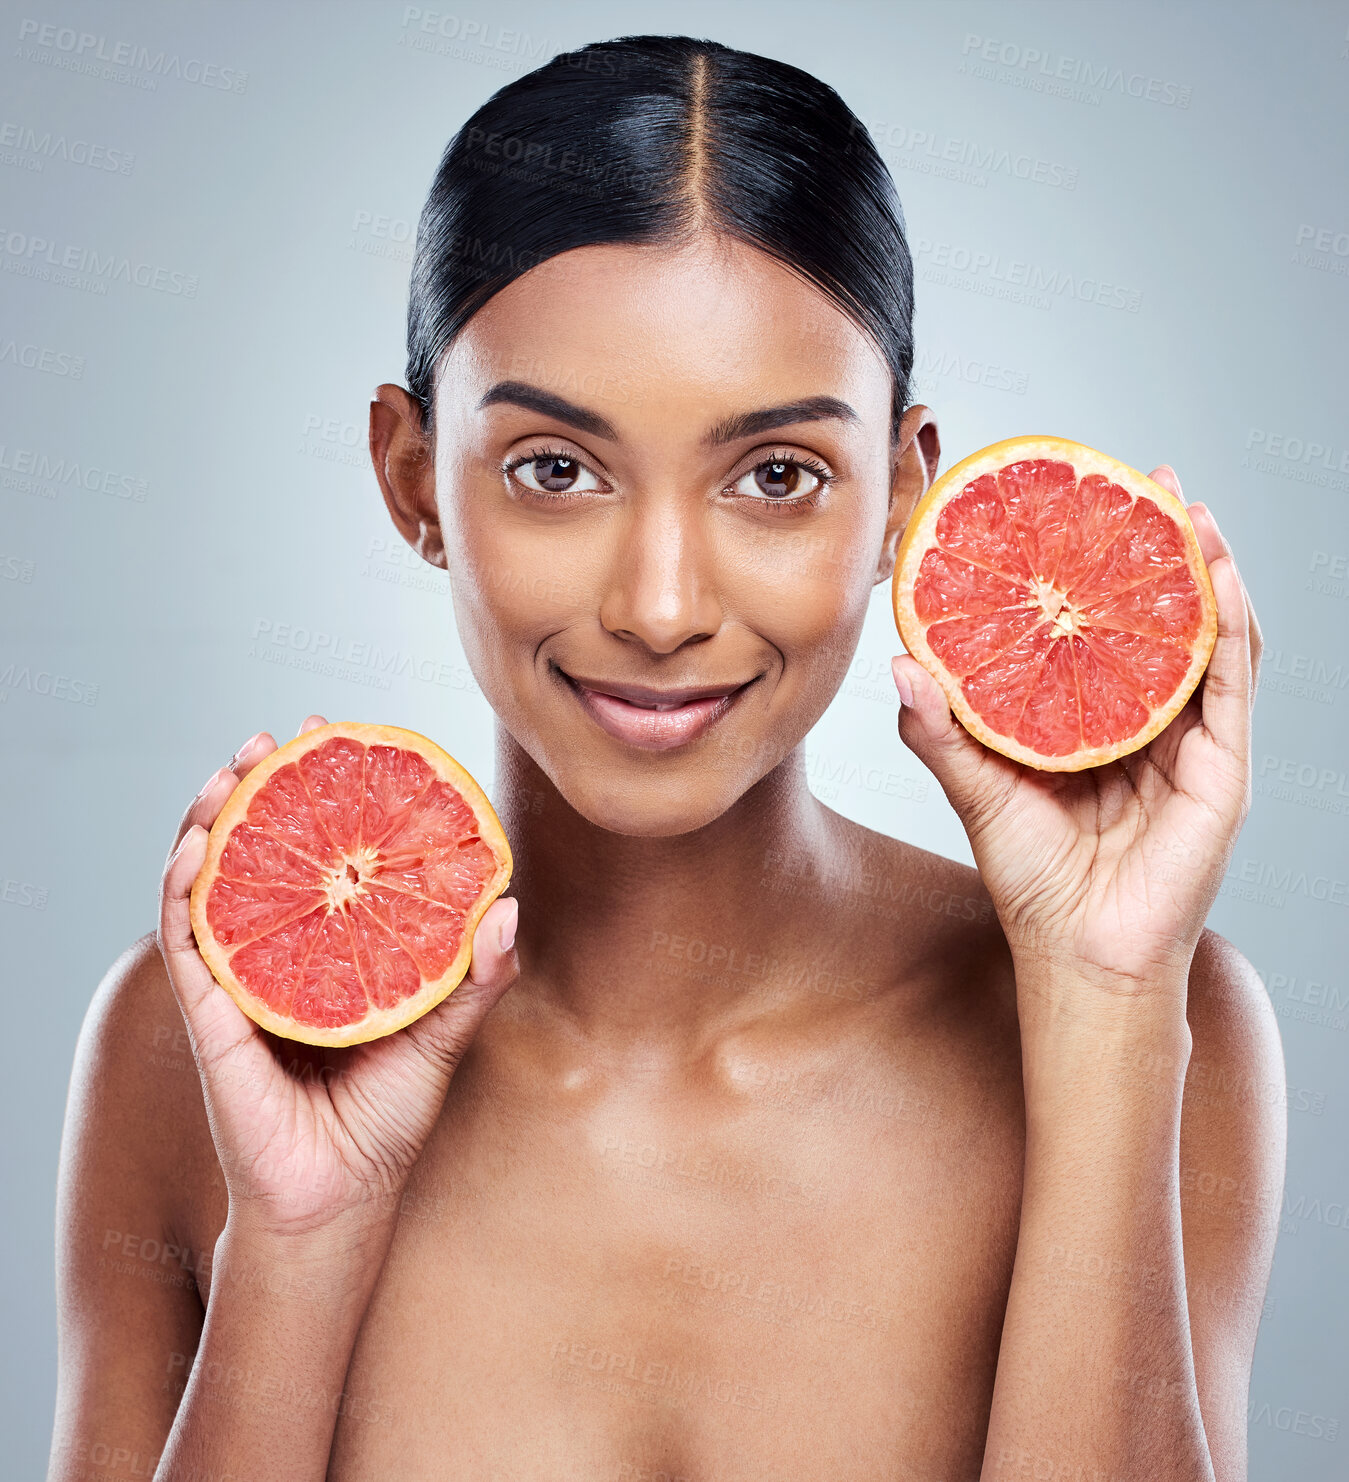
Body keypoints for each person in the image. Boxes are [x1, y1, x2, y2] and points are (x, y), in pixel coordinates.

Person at [49, 34, 1283, 1482]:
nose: (658, 605)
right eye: (554, 470)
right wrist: (302, 1245)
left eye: (774, 476)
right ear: (410, 480)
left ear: (900, 494)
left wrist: (1100, 1004)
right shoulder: (196, 1040)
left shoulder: (1159, 1018)